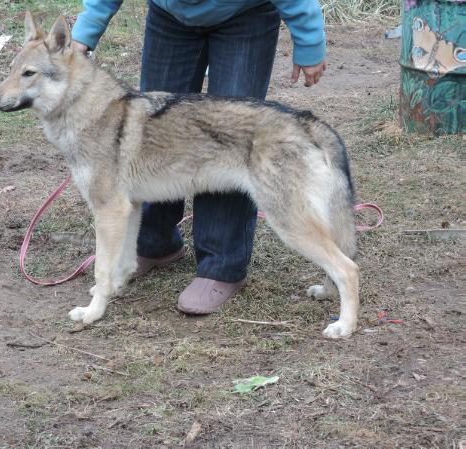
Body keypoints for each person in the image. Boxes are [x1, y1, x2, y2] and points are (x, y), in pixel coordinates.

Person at [71, 0, 327, 314]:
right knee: (154, 138)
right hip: (171, 16)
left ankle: (221, 265)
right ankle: (154, 242)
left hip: (243, 14)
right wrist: (84, 32)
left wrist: (309, 39)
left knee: (231, 141)